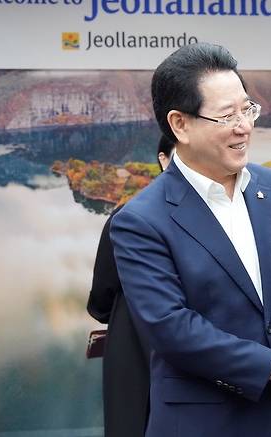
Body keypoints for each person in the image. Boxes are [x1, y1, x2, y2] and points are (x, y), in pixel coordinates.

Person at [109, 42, 271, 437]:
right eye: (227, 116)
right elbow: (172, 329)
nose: (244, 126)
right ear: (180, 125)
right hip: (208, 422)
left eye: (247, 109)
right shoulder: (140, 220)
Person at [87, 134, 175, 437]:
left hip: (134, 346)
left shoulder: (129, 215)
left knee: (133, 420)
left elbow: (101, 300)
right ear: (163, 160)